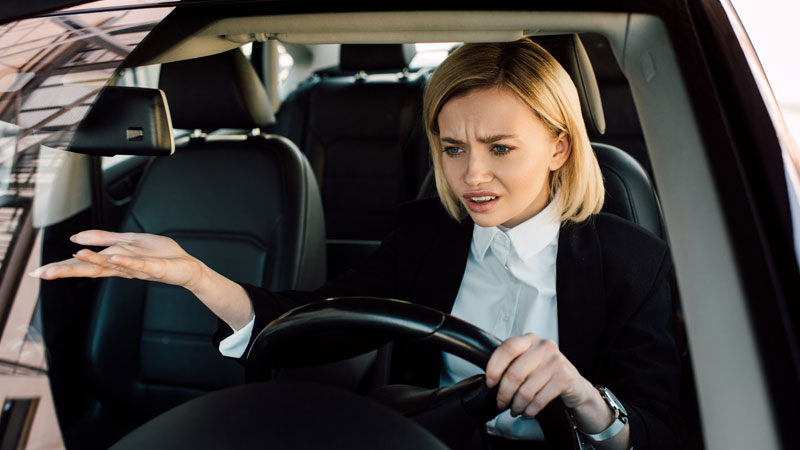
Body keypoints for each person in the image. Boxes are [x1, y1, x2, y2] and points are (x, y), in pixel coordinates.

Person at [31, 38, 680, 449]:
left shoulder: (632, 260)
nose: (472, 175)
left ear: (560, 146)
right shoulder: (429, 233)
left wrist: (586, 400)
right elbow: (317, 322)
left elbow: (657, 428)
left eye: (501, 148)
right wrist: (199, 277)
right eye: (452, 149)